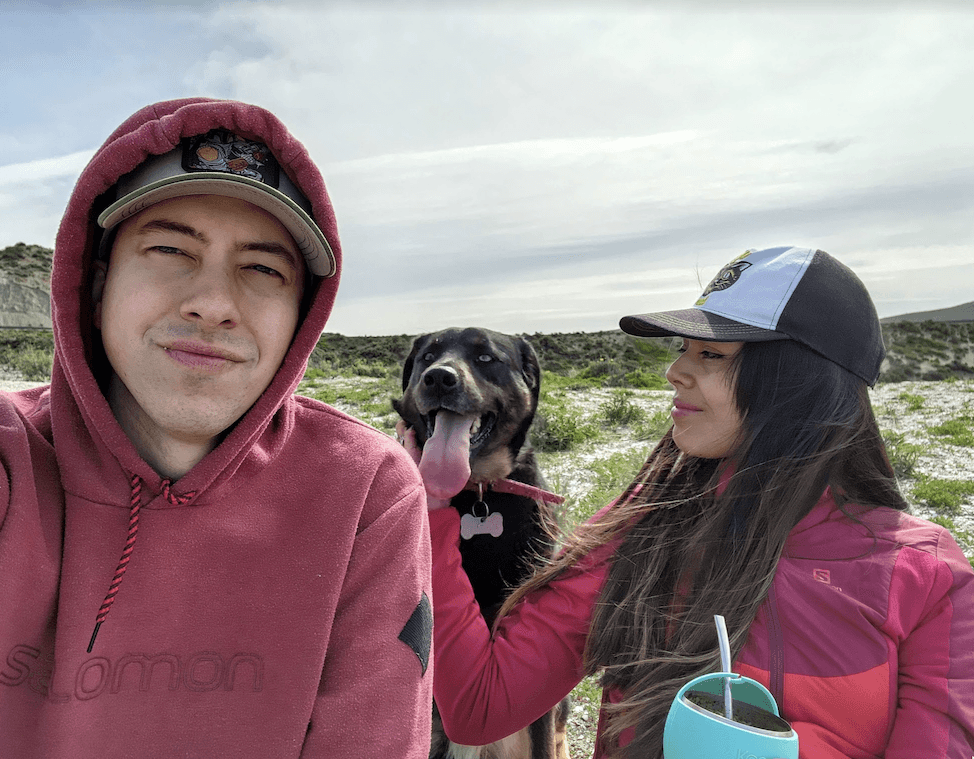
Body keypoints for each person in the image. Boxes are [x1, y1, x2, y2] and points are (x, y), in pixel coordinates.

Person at [0, 98, 433, 757]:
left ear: (300, 316)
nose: (215, 303)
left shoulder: (364, 492)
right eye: (169, 248)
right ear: (97, 282)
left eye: (262, 268)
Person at [405, 246, 974, 758]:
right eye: (683, 349)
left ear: (798, 379)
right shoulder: (634, 538)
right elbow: (481, 709)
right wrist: (433, 512)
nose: (675, 372)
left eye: (712, 355)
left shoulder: (924, 578)